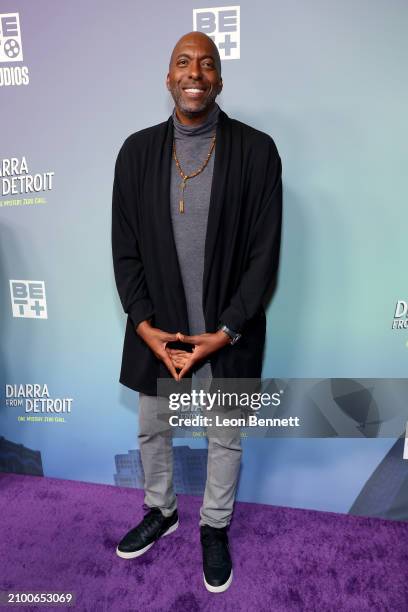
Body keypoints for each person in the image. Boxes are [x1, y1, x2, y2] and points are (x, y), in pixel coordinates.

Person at [111, 30, 282, 593]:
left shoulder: (257, 152)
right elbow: (126, 248)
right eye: (183, 63)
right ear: (168, 78)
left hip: (225, 333)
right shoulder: (136, 153)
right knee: (152, 430)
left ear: (219, 80)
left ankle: (214, 527)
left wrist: (226, 331)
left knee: (224, 437)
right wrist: (145, 328)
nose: (194, 73)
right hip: (158, 328)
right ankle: (162, 511)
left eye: (206, 64)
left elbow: (263, 255)